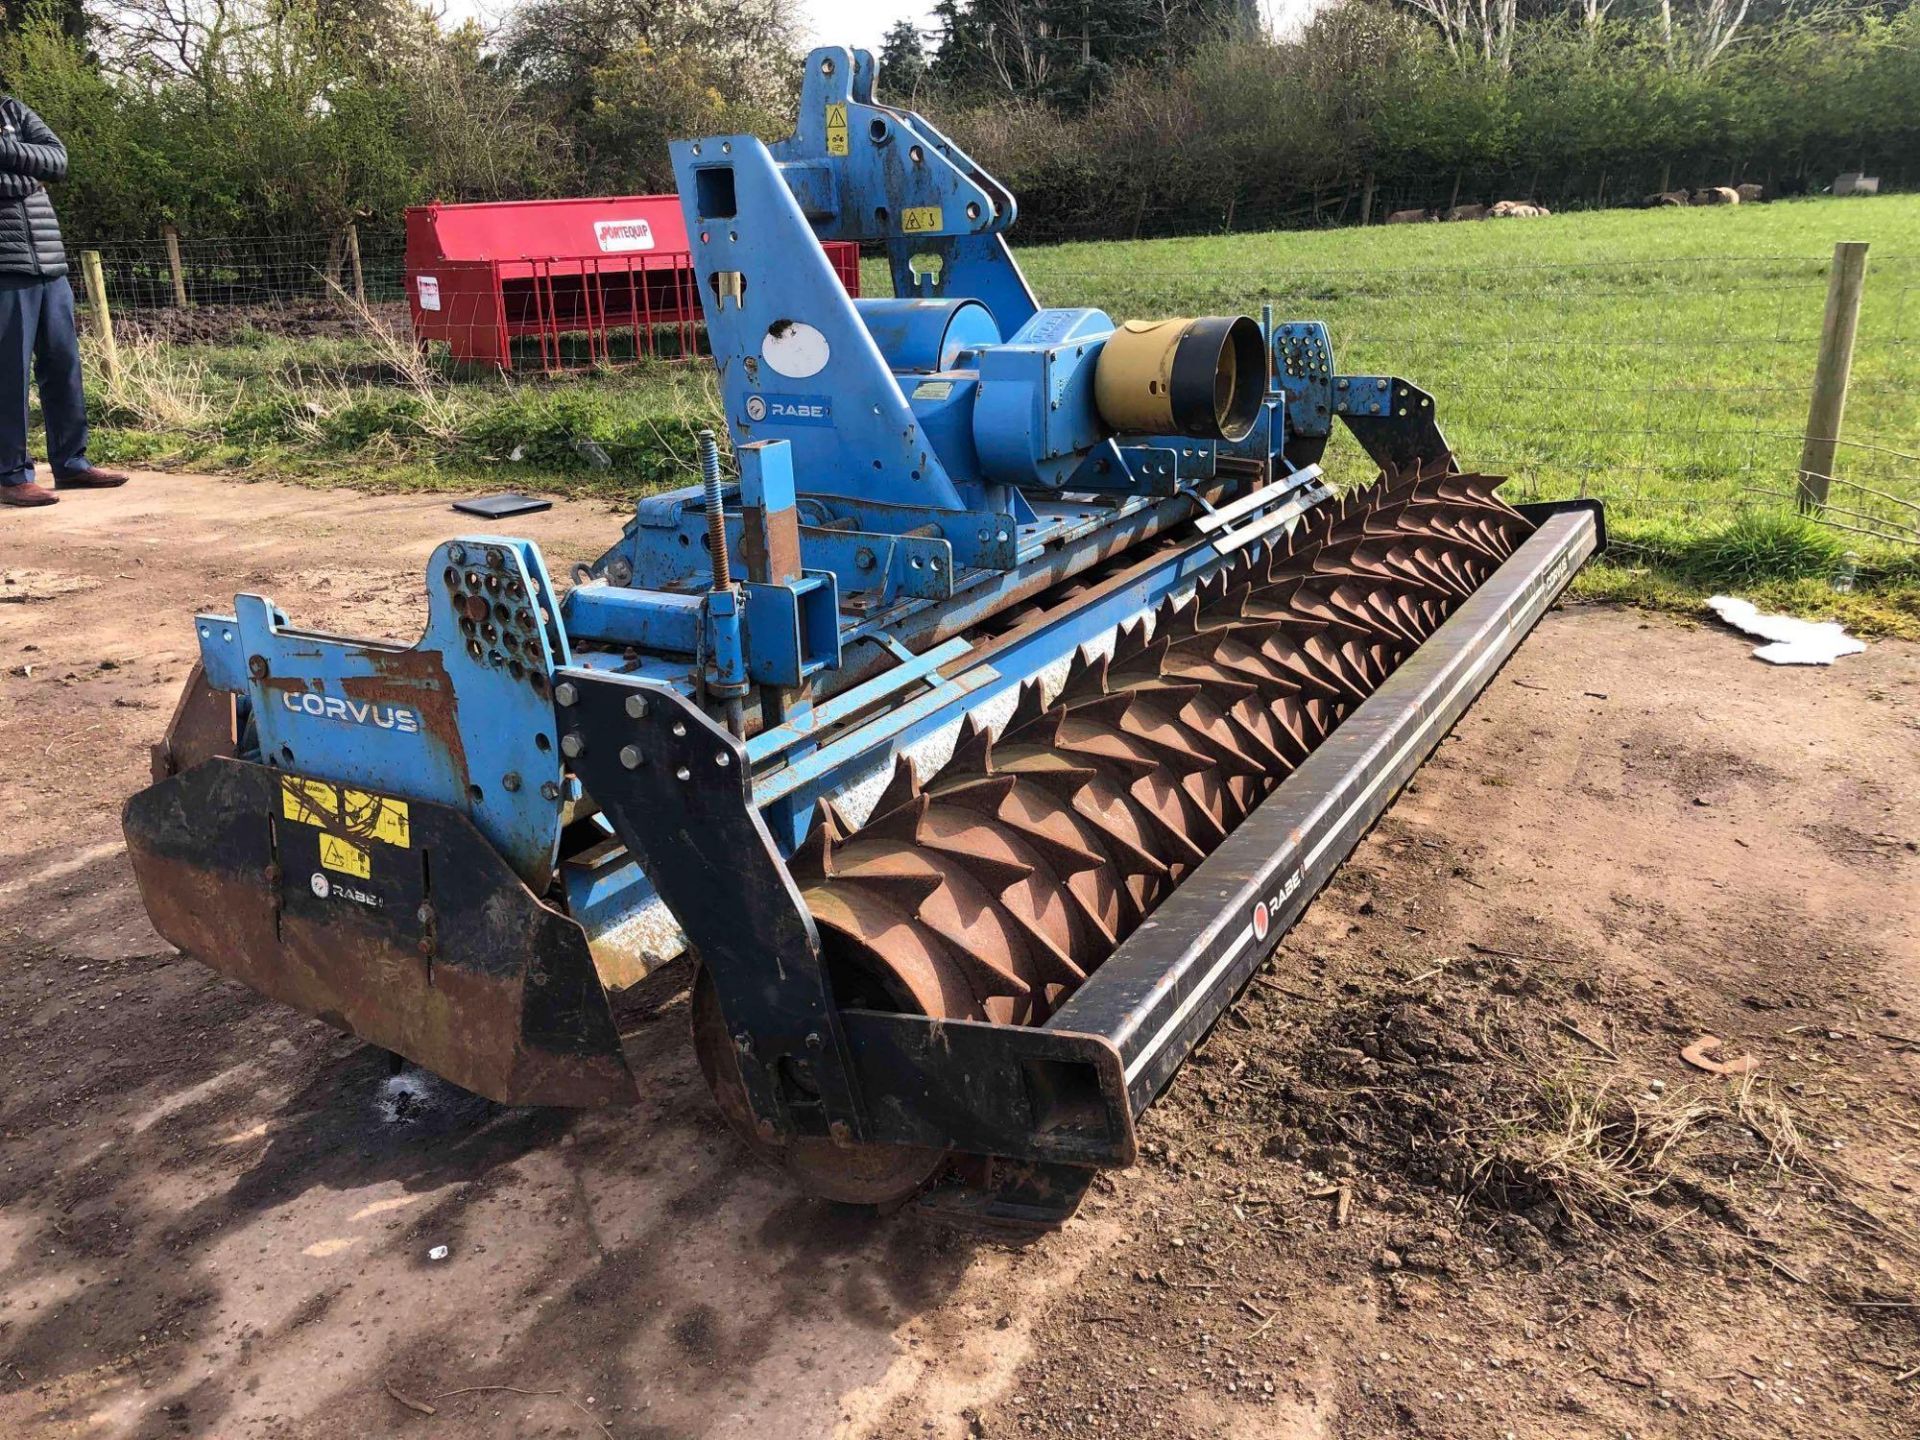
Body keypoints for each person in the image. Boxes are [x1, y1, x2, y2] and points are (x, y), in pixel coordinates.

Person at [0, 94, 127, 508]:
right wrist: (29, 174)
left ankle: (71, 462)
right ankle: (11, 475)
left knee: (63, 366)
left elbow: (57, 160)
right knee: (8, 376)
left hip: (50, 263)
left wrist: (10, 160)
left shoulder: (11, 109)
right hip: (5, 269)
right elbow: (39, 168)